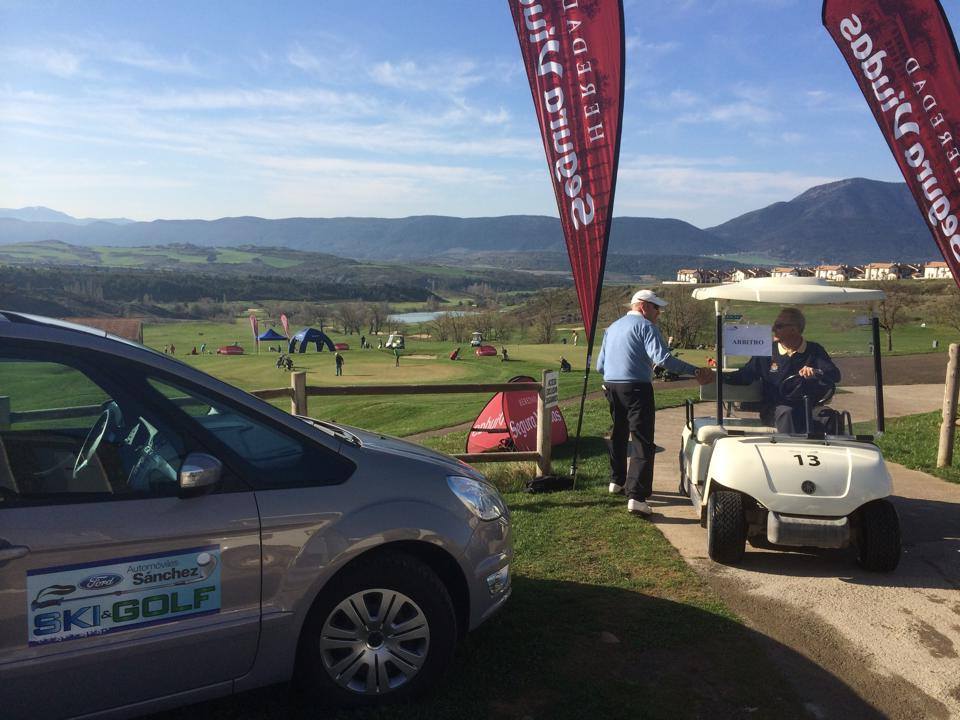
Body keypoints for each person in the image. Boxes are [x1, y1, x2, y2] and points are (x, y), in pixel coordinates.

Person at [597, 289, 713, 516]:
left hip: (612, 386)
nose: (659, 313)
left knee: (619, 434)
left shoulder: (612, 328)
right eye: (656, 308)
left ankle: (617, 480)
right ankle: (636, 496)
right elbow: (663, 359)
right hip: (637, 388)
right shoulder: (646, 327)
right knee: (642, 440)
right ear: (643, 307)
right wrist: (695, 371)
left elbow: (600, 366)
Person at [716, 308, 841, 434]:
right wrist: (717, 376)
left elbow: (834, 375)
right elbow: (745, 375)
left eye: (779, 326)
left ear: (794, 329)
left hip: (808, 407)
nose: (773, 329)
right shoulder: (767, 352)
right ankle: (791, 450)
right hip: (775, 409)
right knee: (787, 413)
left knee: (829, 416)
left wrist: (815, 372)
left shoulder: (814, 351)